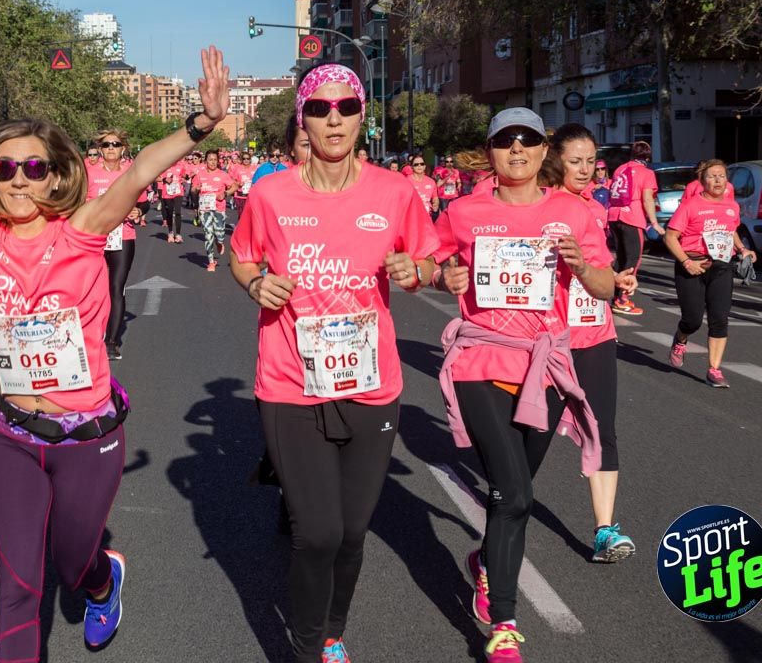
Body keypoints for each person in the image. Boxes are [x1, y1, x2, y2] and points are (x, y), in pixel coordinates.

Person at [0, 39, 229, 661]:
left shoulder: (86, 232)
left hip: (88, 435)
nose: (19, 179)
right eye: (5, 168)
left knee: (73, 561)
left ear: (57, 174)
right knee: (17, 586)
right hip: (11, 434)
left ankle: (102, 580)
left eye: (34, 167)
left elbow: (142, 169)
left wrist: (200, 123)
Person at [231, 62, 439, 663]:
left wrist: (416, 272)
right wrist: (254, 285)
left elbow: (428, 260)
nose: (334, 118)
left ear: (361, 115)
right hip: (290, 382)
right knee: (316, 532)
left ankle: (330, 631)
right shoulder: (271, 194)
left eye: (346, 106)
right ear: (304, 118)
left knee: (351, 534)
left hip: (371, 384)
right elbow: (243, 256)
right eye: (320, 108)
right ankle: (304, 647)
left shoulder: (395, 192)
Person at [434, 107, 610, 663]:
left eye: (528, 141)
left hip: (545, 367)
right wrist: (444, 275)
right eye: (505, 141)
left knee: (511, 498)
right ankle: (504, 624)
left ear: (544, 151)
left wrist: (582, 266)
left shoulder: (574, 213)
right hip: (481, 360)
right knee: (514, 494)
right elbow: (426, 261)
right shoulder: (462, 212)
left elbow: (605, 286)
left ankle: (486, 563)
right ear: (489, 151)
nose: (517, 150)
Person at [543, 125, 637, 563]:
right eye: (574, 160)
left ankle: (605, 530)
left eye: (591, 162)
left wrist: (616, 279)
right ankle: (504, 520)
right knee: (529, 436)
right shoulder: (538, 205)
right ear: (555, 159)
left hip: (596, 333)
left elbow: (598, 266)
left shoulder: (595, 207)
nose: (584, 170)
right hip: (549, 340)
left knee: (603, 429)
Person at [664, 160, 756, 387]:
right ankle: (680, 338)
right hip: (693, 266)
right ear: (702, 181)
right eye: (712, 176)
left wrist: (743, 249)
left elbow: (731, 229)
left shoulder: (731, 206)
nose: (717, 180)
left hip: (721, 267)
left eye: (722, 176)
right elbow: (670, 237)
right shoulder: (690, 206)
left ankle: (714, 369)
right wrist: (686, 262)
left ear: (727, 181)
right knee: (693, 319)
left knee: (719, 319)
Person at [86, 129, 142, 359]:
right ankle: (90, 334)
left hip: (123, 236)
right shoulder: (88, 172)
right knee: (92, 289)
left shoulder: (131, 172)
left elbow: (144, 202)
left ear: (123, 148)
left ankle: (111, 341)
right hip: (93, 236)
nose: (111, 148)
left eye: (115, 144)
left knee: (115, 287)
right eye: (106, 144)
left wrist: (139, 210)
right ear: (100, 149)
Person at [607, 141, 664, 315]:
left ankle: (612, 295)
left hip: (614, 215)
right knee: (633, 260)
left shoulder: (620, 169)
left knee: (621, 257)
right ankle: (622, 299)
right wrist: (654, 223)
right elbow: (647, 199)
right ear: (647, 157)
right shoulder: (646, 173)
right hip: (632, 216)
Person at [191, 149, 237, 272]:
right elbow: (193, 190)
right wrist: (196, 189)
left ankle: (220, 242)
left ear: (218, 161)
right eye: (210, 160)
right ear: (206, 161)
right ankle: (211, 261)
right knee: (208, 234)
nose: (212, 162)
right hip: (204, 209)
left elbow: (234, 186)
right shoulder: (200, 174)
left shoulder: (222, 174)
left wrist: (225, 193)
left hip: (219, 208)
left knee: (220, 233)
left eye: (215, 160)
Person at [157, 156, 187, 243]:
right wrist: (164, 179)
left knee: (178, 212)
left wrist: (183, 179)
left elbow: (185, 177)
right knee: (169, 213)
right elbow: (156, 178)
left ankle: (178, 234)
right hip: (167, 194)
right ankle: (170, 232)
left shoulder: (181, 165)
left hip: (178, 192)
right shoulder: (164, 166)